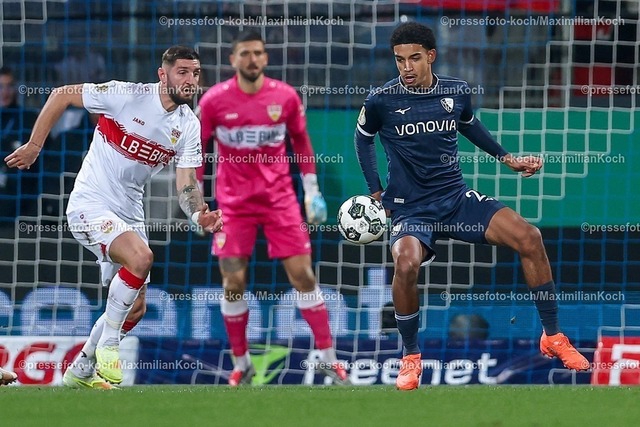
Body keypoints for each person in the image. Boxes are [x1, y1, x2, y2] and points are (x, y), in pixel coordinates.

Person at [354, 22, 589, 391]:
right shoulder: (381, 100)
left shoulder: (456, 91)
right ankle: (411, 357)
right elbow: (362, 139)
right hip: (410, 209)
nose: (407, 67)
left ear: (431, 56)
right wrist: (375, 191)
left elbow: (469, 125)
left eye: (414, 58)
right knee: (405, 263)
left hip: (455, 198)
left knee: (529, 237)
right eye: (400, 60)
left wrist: (507, 158)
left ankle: (553, 336)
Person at [5, 46, 223, 388]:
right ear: (162, 74)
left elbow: (186, 183)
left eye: (195, 73)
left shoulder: (188, 126)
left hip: (130, 211)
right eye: (182, 72)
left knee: (135, 309)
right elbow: (62, 94)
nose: (190, 80)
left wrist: (198, 214)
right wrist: (34, 146)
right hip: (90, 203)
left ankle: (80, 370)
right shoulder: (126, 95)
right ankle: (108, 345)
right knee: (142, 258)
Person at [197, 30, 348, 386]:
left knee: (303, 276)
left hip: (280, 201)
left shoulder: (285, 96)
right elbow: (197, 151)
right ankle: (242, 363)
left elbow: (302, 142)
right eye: (245, 53)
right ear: (233, 59)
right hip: (233, 206)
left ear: (266, 58)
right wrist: (196, 202)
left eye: (258, 53)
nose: (252, 59)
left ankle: (329, 359)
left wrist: (311, 191)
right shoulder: (213, 101)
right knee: (233, 282)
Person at [0, 66, 40, 218]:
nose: (5, 92)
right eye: (0, 87)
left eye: (9, 86)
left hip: (20, 204)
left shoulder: (29, 120)